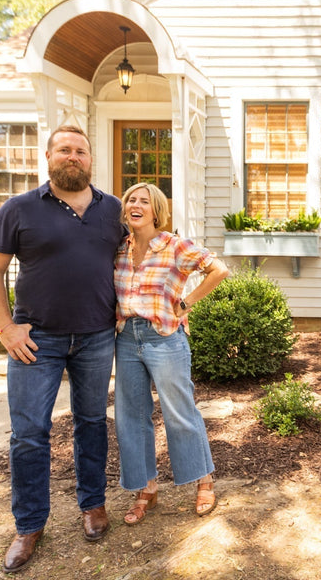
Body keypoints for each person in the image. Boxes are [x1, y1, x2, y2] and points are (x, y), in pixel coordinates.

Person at [0, 125, 125, 574]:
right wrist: (6, 327)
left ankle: (92, 504)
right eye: (65, 149)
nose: (73, 156)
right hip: (36, 341)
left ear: (90, 159)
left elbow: (136, 259)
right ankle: (28, 526)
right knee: (28, 434)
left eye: (81, 150)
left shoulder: (113, 209)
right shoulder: (19, 208)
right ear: (48, 156)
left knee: (92, 422)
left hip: (97, 336)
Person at [113, 181, 229, 526]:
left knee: (180, 412)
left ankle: (204, 481)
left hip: (164, 336)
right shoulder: (119, 249)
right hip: (126, 337)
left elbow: (218, 269)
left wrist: (187, 303)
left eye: (144, 201)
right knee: (131, 417)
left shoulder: (174, 246)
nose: (135, 205)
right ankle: (146, 489)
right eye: (130, 200)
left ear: (157, 210)